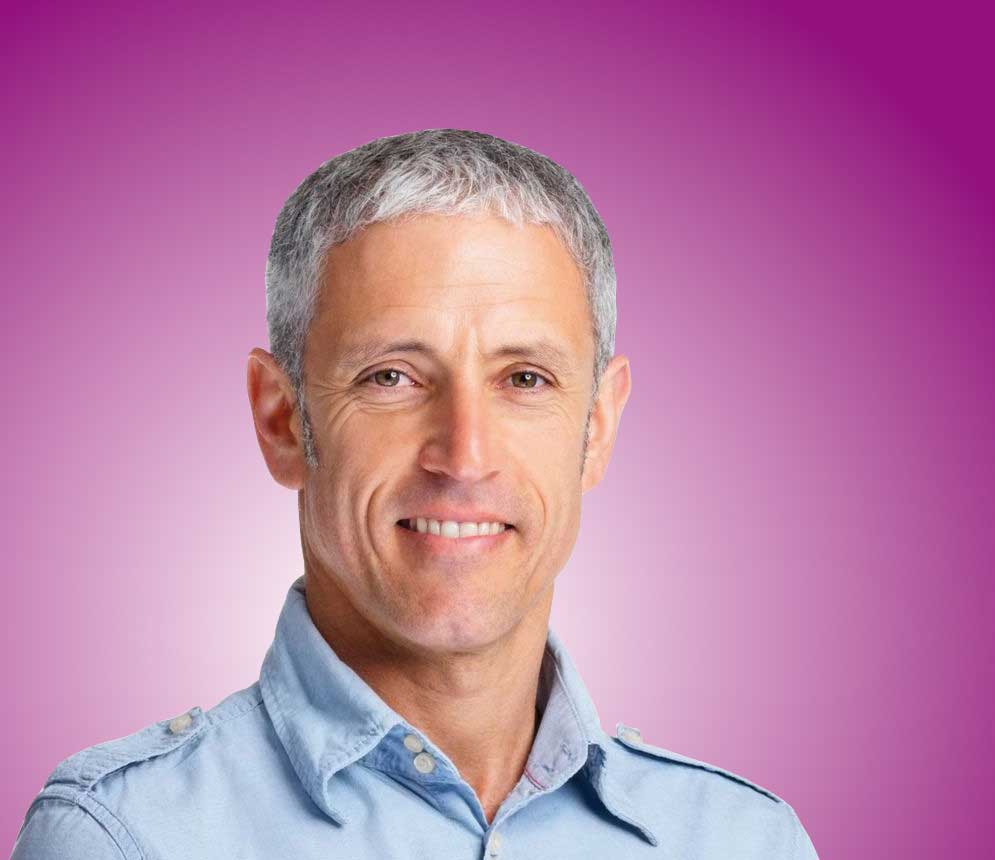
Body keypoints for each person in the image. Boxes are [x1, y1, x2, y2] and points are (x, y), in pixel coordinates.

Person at [10, 129, 819, 859]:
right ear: (282, 419)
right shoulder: (125, 839)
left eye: (525, 379)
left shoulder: (746, 842)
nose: (464, 457)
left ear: (598, 426)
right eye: (391, 377)